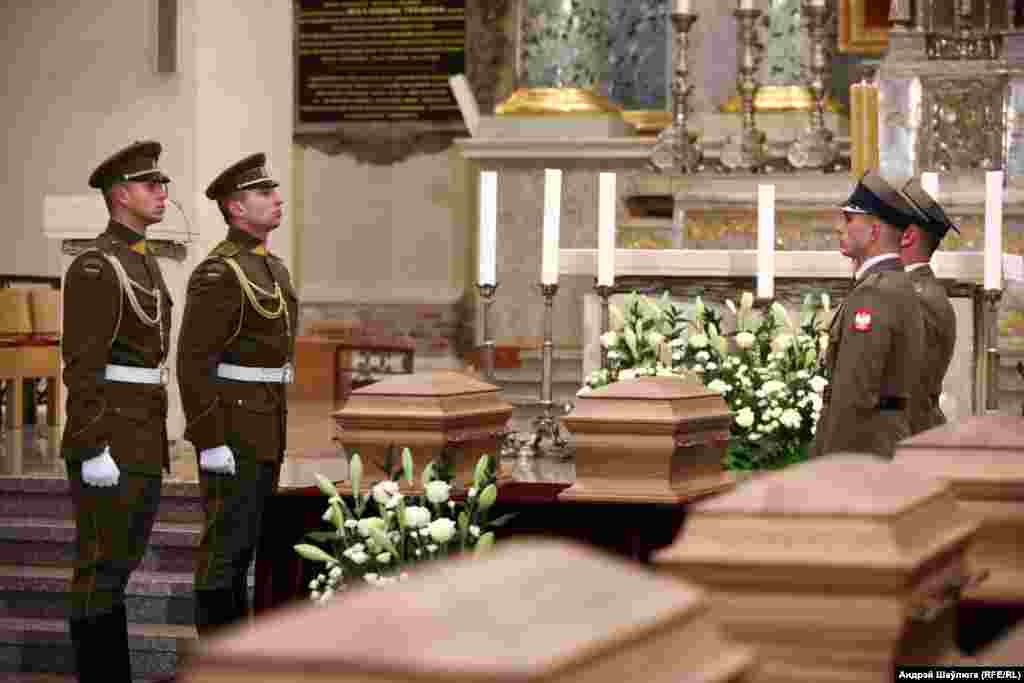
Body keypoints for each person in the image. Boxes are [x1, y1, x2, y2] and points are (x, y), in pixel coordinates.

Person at [62, 141, 173, 682]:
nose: (162, 192)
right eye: (151, 184)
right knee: (100, 569)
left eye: (162, 184)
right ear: (120, 195)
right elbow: (83, 364)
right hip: (111, 437)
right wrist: (91, 445)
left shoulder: (141, 260)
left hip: (142, 435)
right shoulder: (96, 265)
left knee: (118, 569)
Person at [177, 153, 297, 635]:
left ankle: (240, 652)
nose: (277, 199)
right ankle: (216, 657)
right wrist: (209, 439)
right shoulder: (219, 272)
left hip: (267, 421)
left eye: (275, 191)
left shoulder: (273, 268)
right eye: (264, 193)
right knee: (225, 549)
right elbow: (194, 362)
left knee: (248, 544)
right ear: (235, 207)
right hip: (233, 426)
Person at [811, 171, 925, 460]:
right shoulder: (895, 284)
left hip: (862, 449)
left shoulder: (874, 293)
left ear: (874, 232)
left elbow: (854, 395)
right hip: (880, 443)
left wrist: (827, 464)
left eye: (849, 219)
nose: (839, 228)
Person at [899, 177, 959, 434]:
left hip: (910, 439)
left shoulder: (920, 299)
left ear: (907, 236)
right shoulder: (905, 290)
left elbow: (912, 389)